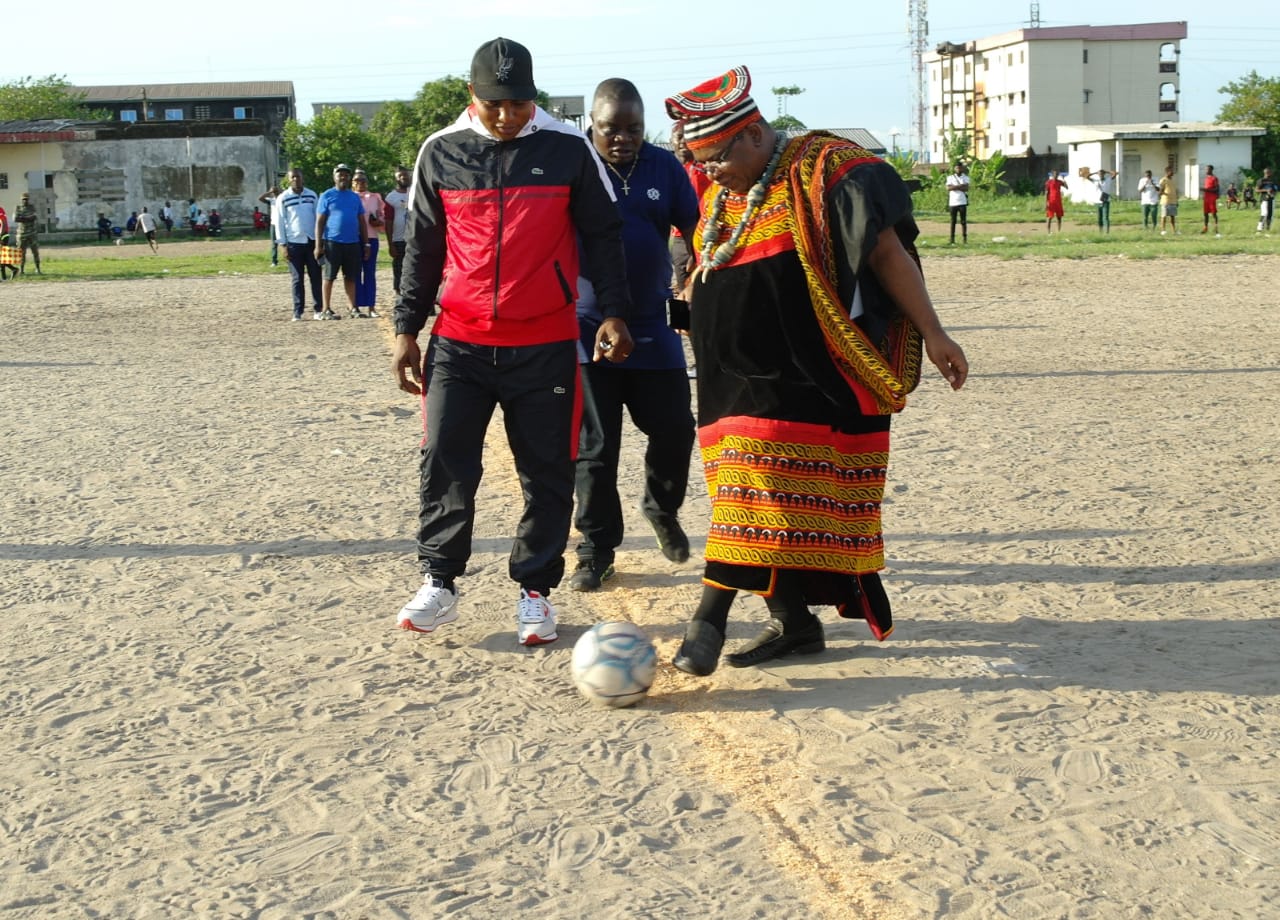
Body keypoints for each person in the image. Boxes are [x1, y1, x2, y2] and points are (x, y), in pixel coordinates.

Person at [661, 66, 968, 676]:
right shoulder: (723, 198)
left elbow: (887, 253)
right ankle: (795, 622)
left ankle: (707, 623)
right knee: (753, 503)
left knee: (754, 496)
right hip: (727, 383)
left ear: (751, 135)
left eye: (716, 157)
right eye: (702, 162)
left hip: (805, 378)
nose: (710, 171)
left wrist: (933, 331)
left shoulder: (826, 167)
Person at [391, 36, 633, 646]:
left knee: (546, 469)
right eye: (495, 103)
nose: (506, 115)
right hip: (459, 341)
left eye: (519, 103)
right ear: (472, 95)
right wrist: (405, 330)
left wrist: (613, 312)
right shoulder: (440, 152)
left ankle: (534, 591)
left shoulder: (569, 150)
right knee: (445, 458)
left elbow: (604, 236)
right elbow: (421, 248)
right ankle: (439, 581)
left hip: (545, 341)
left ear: (535, 97)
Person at [568, 78, 699, 593]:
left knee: (675, 429)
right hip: (586, 328)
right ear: (591, 127)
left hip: (651, 324)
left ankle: (660, 507)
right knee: (596, 448)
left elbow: (694, 226)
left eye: (633, 128)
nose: (622, 138)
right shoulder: (575, 166)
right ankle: (596, 549)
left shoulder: (664, 167)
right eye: (610, 128)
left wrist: (695, 273)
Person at [315, 164, 370, 319]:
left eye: (346, 174)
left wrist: (366, 243)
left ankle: (352, 307)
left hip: (352, 242)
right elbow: (319, 222)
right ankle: (326, 309)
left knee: (351, 276)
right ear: (334, 177)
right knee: (329, 276)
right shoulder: (327, 195)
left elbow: (362, 221)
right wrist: (318, 245)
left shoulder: (354, 197)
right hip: (332, 242)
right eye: (340, 174)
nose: (343, 177)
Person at [276, 169, 325, 321]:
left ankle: (318, 309)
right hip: (293, 243)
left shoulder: (311, 195)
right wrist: (283, 245)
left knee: (315, 276)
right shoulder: (283, 198)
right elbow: (279, 222)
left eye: (298, 176)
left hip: (311, 241)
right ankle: (298, 311)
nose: (296, 179)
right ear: (289, 180)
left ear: (303, 178)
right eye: (293, 177)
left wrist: (320, 241)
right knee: (297, 279)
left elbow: (318, 218)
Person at [352, 168, 384, 318]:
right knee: (355, 273)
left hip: (371, 237)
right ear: (352, 183)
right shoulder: (350, 197)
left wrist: (377, 221)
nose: (360, 183)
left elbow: (382, 218)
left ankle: (371, 307)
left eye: (363, 180)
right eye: (357, 181)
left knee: (370, 273)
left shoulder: (375, 197)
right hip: (353, 238)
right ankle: (356, 306)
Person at [382, 166, 411, 296]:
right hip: (399, 239)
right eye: (400, 176)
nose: (403, 177)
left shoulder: (417, 192)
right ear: (396, 178)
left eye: (405, 175)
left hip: (415, 238)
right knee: (399, 269)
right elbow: (388, 221)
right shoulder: (391, 197)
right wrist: (390, 244)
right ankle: (399, 296)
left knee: (418, 269)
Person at [14, 193, 41, 275]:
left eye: (26, 199)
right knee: (21, 252)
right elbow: (16, 218)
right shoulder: (18, 207)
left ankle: (38, 269)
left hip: (32, 233)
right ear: (21, 199)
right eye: (23, 199)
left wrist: (23, 218)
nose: (25, 201)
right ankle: (21, 270)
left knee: (35, 251)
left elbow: (34, 217)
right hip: (21, 234)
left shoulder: (32, 207)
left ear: (28, 199)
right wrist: (27, 218)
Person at [946, 160, 970, 244]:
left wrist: (954, 187)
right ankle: (952, 239)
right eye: (957, 168)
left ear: (962, 168)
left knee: (963, 221)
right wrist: (960, 186)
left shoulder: (966, 177)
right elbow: (948, 188)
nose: (958, 169)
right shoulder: (950, 177)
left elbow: (966, 188)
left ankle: (965, 239)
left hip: (962, 202)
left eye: (960, 167)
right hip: (953, 202)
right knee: (953, 221)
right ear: (954, 168)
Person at [259, 184, 281, 265]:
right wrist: (269, 192)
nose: (274, 192)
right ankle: (274, 261)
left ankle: (291, 260)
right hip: (274, 224)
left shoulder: (282, 199)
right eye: (273, 191)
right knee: (274, 244)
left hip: (283, 224)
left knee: (288, 243)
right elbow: (260, 198)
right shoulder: (271, 200)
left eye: (275, 191)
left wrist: (279, 191)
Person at [1091, 168, 1115, 233]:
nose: (1100, 175)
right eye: (1099, 174)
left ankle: (1107, 232)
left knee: (1106, 217)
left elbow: (1114, 174)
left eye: (1102, 174)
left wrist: (1106, 171)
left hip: (1106, 200)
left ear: (1104, 174)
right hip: (1097, 201)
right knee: (1099, 218)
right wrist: (1095, 172)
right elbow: (1087, 176)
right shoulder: (1095, 180)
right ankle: (1100, 231)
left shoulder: (1108, 179)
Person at [1158, 165, 1178, 235]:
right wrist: (1166, 194)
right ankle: (1163, 230)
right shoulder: (1163, 180)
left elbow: (1175, 191)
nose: (1173, 172)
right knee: (1164, 216)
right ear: (1167, 171)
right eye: (1171, 171)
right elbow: (1160, 191)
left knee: (1173, 216)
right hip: (1165, 201)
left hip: (1173, 201)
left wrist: (1176, 200)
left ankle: (1174, 230)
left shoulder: (1173, 180)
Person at [1256, 167, 1277, 233]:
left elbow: (1274, 190)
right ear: (1265, 172)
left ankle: (1268, 228)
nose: (1270, 173)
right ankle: (1259, 229)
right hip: (1264, 199)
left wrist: (1273, 194)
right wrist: (1266, 190)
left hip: (1271, 199)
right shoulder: (1261, 180)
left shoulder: (1272, 181)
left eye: (1270, 172)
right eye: (1269, 172)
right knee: (1264, 213)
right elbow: (1256, 190)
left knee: (1270, 215)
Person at [1201, 165, 1220, 236]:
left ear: (1211, 170)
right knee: (1205, 213)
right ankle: (1205, 228)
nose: (1206, 171)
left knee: (1213, 213)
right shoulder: (1206, 178)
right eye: (1205, 169)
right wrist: (1204, 193)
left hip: (1211, 198)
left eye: (1207, 169)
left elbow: (1216, 189)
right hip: (1206, 198)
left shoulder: (1214, 178)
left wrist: (1206, 190)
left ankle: (1216, 228)